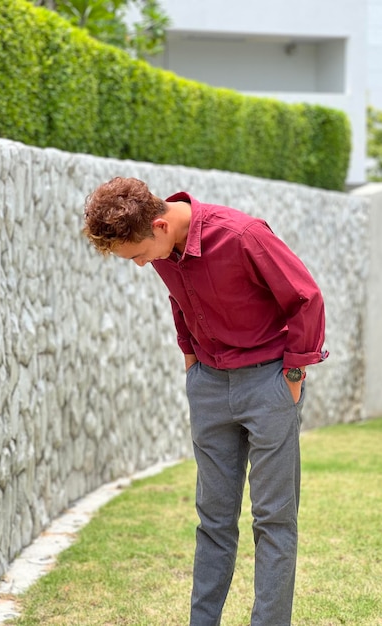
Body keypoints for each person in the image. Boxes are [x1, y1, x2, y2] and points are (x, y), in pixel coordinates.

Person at [83, 176, 328, 626]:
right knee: (213, 521)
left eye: (137, 255)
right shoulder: (162, 248)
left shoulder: (242, 235)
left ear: (159, 225)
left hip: (269, 383)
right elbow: (181, 302)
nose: (140, 265)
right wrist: (192, 363)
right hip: (209, 387)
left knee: (273, 520)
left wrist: (292, 376)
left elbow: (305, 298)